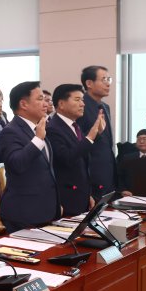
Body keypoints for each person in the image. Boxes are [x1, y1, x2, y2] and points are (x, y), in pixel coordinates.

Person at [0, 81, 60, 233]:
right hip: (24, 212)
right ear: (23, 104)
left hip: (45, 209)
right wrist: (38, 139)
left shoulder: (37, 128)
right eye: (40, 99)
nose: (45, 103)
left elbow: (45, 170)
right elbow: (17, 164)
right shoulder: (10, 131)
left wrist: (56, 203)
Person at [46, 84, 105, 216]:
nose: (83, 104)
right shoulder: (52, 128)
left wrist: (87, 194)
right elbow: (67, 158)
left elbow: (82, 157)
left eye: (83, 100)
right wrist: (90, 136)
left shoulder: (74, 126)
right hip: (66, 199)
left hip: (81, 196)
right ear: (61, 104)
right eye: (77, 100)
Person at [76, 65, 117, 199]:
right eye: (103, 79)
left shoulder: (105, 107)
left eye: (109, 79)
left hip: (108, 171)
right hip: (92, 174)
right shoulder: (81, 106)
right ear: (89, 83)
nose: (108, 84)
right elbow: (79, 141)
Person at [119, 129, 146, 196]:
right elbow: (120, 177)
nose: (141, 141)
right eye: (138, 139)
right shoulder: (127, 158)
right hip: (132, 197)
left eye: (145, 139)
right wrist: (123, 190)